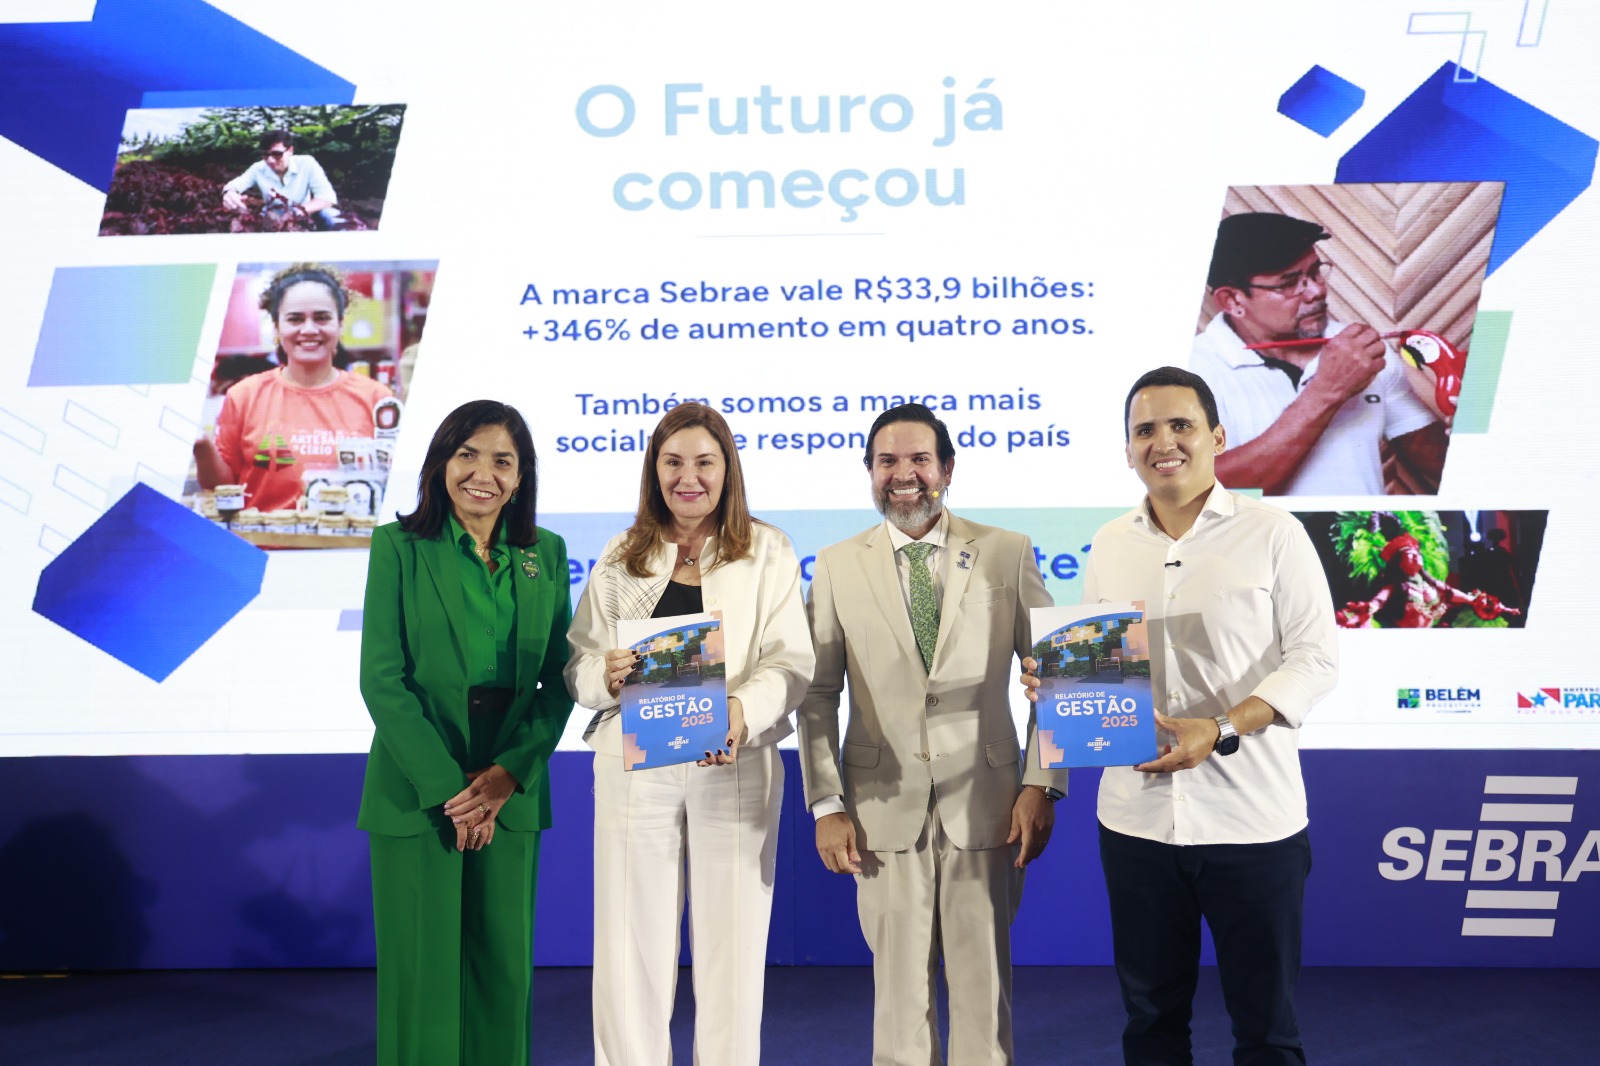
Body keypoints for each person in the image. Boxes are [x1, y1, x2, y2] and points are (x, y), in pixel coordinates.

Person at [1024, 367, 1338, 1064]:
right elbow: (1100, 671)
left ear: (1217, 438)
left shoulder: (1274, 534)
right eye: (1145, 430)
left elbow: (1316, 660)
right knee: (1151, 1025)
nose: (1162, 442)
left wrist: (1220, 729)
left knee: (1267, 1030)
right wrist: (1057, 681)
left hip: (1251, 823)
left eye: (1180, 425)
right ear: (1127, 449)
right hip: (1137, 824)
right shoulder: (1110, 543)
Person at [797, 402, 1066, 1066]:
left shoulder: (1007, 552)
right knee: (899, 1007)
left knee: (984, 999)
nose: (904, 474)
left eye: (920, 459)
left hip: (990, 806)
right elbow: (817, 696)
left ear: (947, 468)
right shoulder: (834, 565)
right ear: (869, 472)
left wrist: (1042, 784)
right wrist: (826, 804)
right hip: (880, 811)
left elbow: (1058, 678)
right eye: (887, 461)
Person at [564, 402, 814, 1066]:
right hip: (634, 764)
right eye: (672, 462)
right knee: (628, 944)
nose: (688, 477)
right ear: (655, 470)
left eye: (705, 462)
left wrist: (743, 710)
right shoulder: (622, 554)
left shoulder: (768, 550)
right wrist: (604, 675)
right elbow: (578, 663)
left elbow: (792, 663)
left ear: (727, 469)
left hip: (733, 762)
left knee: (733, 947)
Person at [357, 399, 574, 1065]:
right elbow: (383, 680)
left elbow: (560, 678)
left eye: (503, 461)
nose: (484, 474)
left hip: (510, 785)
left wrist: (508, 775)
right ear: (440, 464)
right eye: (467, 455)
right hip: (420, 784)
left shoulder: (545, 552)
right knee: (421, 973)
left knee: (501, 972)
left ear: (521, 476)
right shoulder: (398, 547)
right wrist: (452, 792)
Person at [1190, 211, 1447, 495]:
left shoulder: (1360, 348)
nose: (1316, 291)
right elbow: (1202, 492)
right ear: (1233, 300)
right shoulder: (1192, 371)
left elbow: (1436, 462)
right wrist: (1327, 390)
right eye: (1288, 283)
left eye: (1315, 272)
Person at [193, 262, 393, 514]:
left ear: (340, 324)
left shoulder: (376, 399)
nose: (309, 329)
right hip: (261, 537)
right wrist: (202, 447)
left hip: (353, 538)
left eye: (322, 318)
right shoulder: (244, 396)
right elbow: (221, 487)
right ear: (277, 327)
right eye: (295, 319)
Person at [220, 128, 342, 229]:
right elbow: (234, 185)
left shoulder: (307, 163)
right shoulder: (258, 168)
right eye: (265, 155)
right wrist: (229, 193)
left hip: (303, 216)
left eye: (277, 154)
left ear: (290, 151)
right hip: (271, 220)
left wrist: (297, 212)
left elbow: (327, 198)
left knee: (332, 215)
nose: (270, 160)